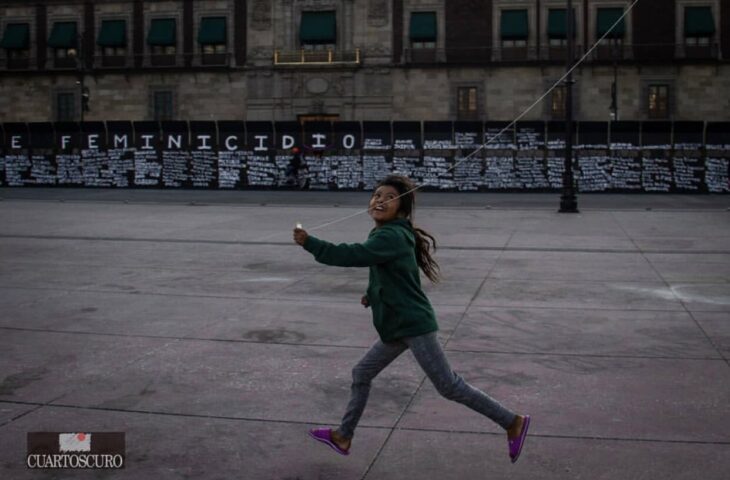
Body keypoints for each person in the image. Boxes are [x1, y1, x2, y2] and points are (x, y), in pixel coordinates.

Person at [292, 174, 530, 463]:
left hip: (413, 325)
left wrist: (311, 243)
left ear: (402, 209)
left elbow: (356, 255)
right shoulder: (387, 233)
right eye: (376, 195)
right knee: (362, 373)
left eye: (388, 197)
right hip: (397, 326)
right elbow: (387, 270)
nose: (379, 199)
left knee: (449, 385)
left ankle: (512, 422)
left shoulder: (391, 235)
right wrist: (372, 294)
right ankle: (343, 436)